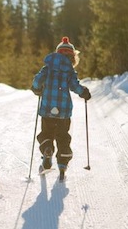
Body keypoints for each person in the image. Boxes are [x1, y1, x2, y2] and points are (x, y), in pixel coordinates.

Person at [31, 36, 91, 181]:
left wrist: (36, 88)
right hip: (64, 111)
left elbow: (38, 79)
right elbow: (75, 86)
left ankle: (47, 149)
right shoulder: (70, 71)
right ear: (72, 57)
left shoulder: (48, 67)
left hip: (47, 109)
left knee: (47, 133)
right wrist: (84, 92)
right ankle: (62, 163)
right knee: (63, 136)